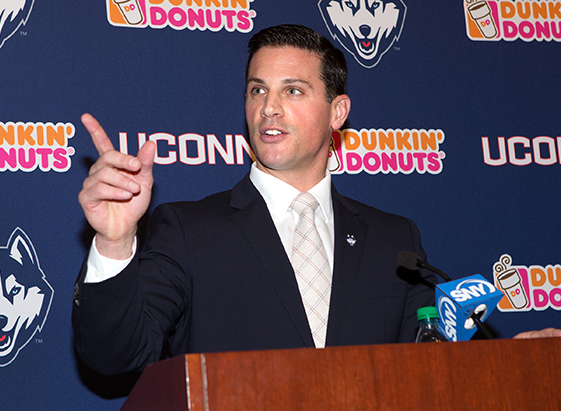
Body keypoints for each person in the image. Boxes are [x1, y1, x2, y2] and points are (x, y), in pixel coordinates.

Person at [72, 25, 557, 376]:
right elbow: (117, 356)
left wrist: (509, 363)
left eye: (294, 90)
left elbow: (427, 366)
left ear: (337, 111)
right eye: (257, 89)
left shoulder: (394, 240)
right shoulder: (187, 228)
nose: (269, 107)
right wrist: (114, 244)